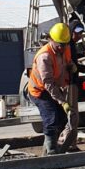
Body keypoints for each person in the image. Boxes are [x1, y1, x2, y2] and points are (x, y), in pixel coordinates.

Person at [28, 23, 76, 155]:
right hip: (39, 91)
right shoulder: (44, 56)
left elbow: (67, 61)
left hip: (53, 88)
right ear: (51, 40)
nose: (62, 47)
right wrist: (62, 101)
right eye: (60, 44)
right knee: (51, 118)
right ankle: (51, 151)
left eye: (65, 44)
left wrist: (71, 65)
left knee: (62, 118)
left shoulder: (64, 48)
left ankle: (51, 145)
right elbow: (48, 83)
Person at [59, 21, 85, 152]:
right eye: (77, 33)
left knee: (73, 116)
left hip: (71, 82)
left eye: (80, 34)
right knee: (73, 116)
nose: (79, 36)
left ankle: (66, 141)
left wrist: (84, 54)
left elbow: (73, 58)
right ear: (71, 32)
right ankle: (68, 144)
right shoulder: (67, 45)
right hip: (69, 83)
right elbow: (74, 67)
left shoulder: (70, 44)